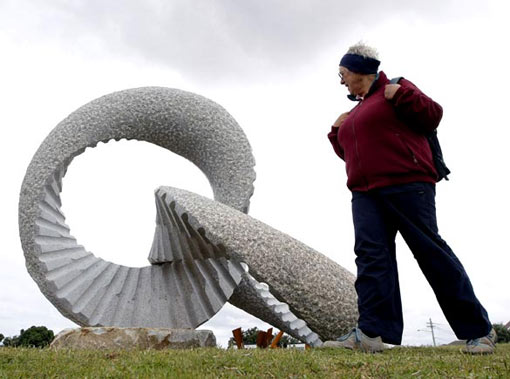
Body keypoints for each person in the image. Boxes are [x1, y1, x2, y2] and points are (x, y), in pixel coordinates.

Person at [324, 42, 495, 354]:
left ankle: (478, 331)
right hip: (364, 193)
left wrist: (402, 96)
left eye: (343, 73)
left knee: (431, 254)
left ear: (360, 69)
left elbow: (433, 115)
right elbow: (352, 155)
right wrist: (337, 133)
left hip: (407, 183)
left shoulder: (395, 88)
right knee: (372, 259)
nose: (341, 80)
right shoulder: (356, 110)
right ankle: (371, 334)